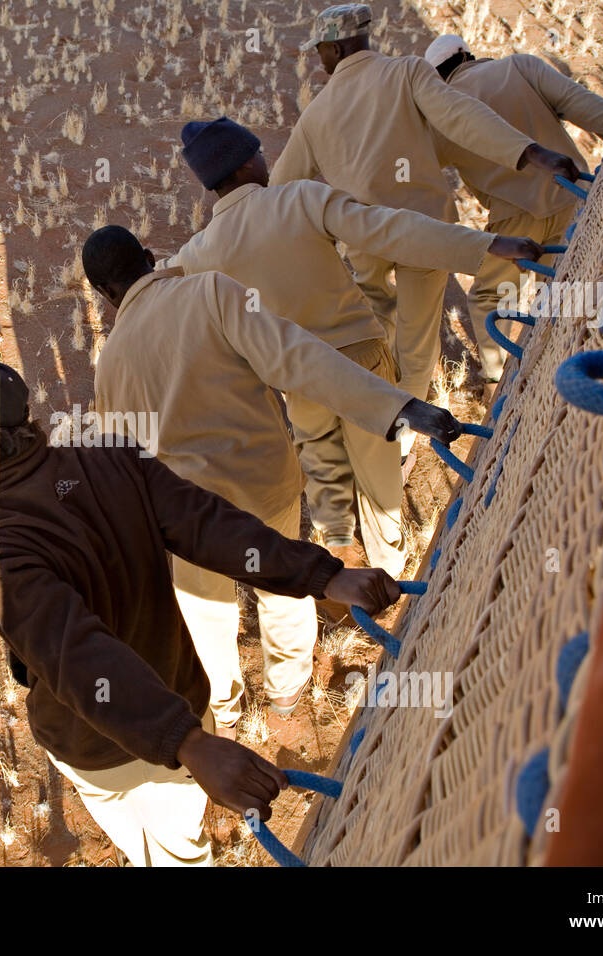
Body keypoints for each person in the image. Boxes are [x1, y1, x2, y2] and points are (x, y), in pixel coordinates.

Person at [0, 355, 403, 866]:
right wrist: (324, 575)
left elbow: (78, 658)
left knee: (176, 853)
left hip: (112, 751)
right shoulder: (109, 458)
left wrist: (187, 745)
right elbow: (209, 524)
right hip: (182, 703)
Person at [82, 224, 462, 737]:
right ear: (150, 256)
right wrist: (398, 406)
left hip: (187, 515)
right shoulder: (211, 292)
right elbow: (298, 358)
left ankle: (226, 709)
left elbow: (121, 462)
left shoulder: (110, 365)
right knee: (283, 583)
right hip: (264, 483)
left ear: (103, 295)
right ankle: (286, 690)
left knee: (203, 612)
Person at [166, 116, 542, 573]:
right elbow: (393, 230)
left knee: (323, 472)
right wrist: (487, 245)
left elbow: (159, 281)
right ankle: (390, 566)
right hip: (358, 358)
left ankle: (342, 557)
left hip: (297, 381)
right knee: (379, 476)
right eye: (259, 154)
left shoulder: (199, 253)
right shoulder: (300, 198)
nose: (267, 161)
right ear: (245, 165)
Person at [272, 3, 579, 438]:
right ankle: (402, 439)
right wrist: (529, 152)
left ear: (336, 47)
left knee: (378, 331)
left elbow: (278, 190)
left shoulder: (315, 116)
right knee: (416, 346)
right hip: (425, 238)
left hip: (364, 241)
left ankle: (378, 418)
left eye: (319, 50)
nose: (317, 59)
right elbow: (464, 118)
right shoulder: (408, 72)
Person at [423, 35, 603, 380]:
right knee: (570, 291)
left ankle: (503, 385)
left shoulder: (440, 113)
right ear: (467, 55)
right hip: (574, 197)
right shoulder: (520, 67)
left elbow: (419, 179)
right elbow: (596, 114)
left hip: (513, 222)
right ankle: (594, 357)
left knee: (491, 298)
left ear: (437, 76)